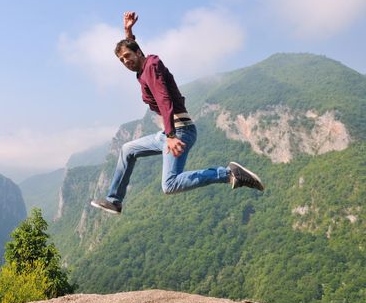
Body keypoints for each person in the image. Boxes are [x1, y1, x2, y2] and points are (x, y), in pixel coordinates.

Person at [90, 11, 264, 215]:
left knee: (170, 185)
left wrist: (171, 136)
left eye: (127, 56)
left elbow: (164, 100)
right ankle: (115, 201)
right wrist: (128, 33)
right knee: (127, 149)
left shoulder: (151, 66)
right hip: (168, 133)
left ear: (137, 53)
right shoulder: (145, 67)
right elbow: (138, 56)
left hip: (179, 131)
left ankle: (228, 174)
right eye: (121, 60)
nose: (125, 62)